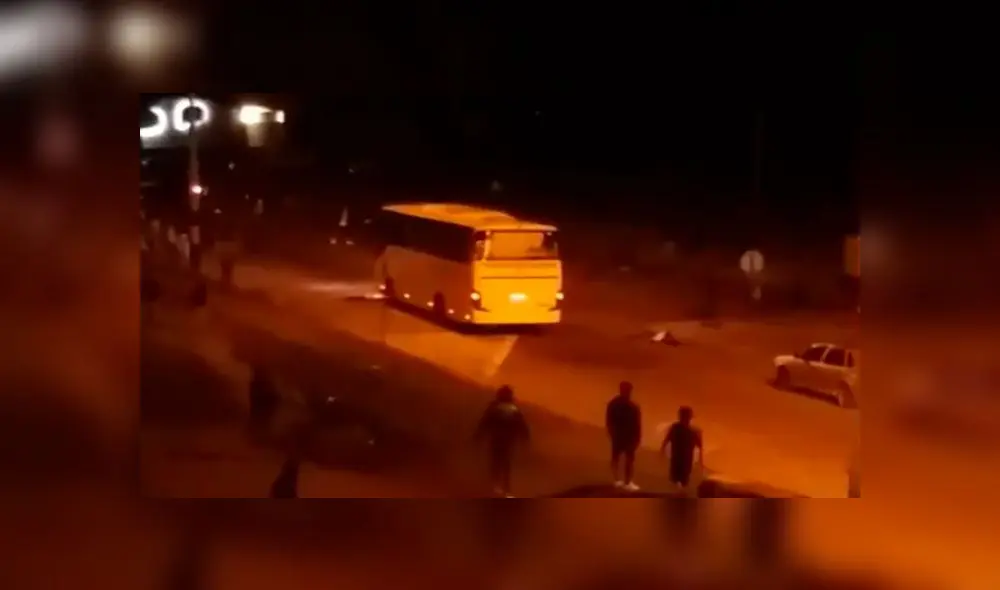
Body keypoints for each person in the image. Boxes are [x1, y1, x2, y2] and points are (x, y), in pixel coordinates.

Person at [475, 385, 530, 498]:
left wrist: (478, 436)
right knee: (506, 463)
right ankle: (506, 490)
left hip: (497, 440)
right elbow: (522, 426)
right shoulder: (514, 409)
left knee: (496, 462)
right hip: (508, 441)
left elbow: (485, 423)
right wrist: (525, 438)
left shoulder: (494, 408)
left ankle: (495, 486)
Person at [605, 380, 642, 491]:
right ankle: (616, 480)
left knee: (629, 459)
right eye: (626, 390)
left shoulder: (633, 406)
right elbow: (609, 419)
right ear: (621, 390)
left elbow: (637, 423)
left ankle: (627, 482)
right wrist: (611, 432)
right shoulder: (614, 404)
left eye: (629, 390)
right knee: (616, 458)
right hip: (618, 435)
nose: (628, 392)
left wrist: (638, 437)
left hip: (629, 436)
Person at [660, 406, 703, 493]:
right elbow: (667, 439)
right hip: (678, 459)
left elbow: (700, 447)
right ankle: (679, 494)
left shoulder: (692, 431)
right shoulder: (679, 429)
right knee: (677, 480)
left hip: (684, 460)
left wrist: (701, 460)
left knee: (681, 480)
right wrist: (662, 449)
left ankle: (679, 494)